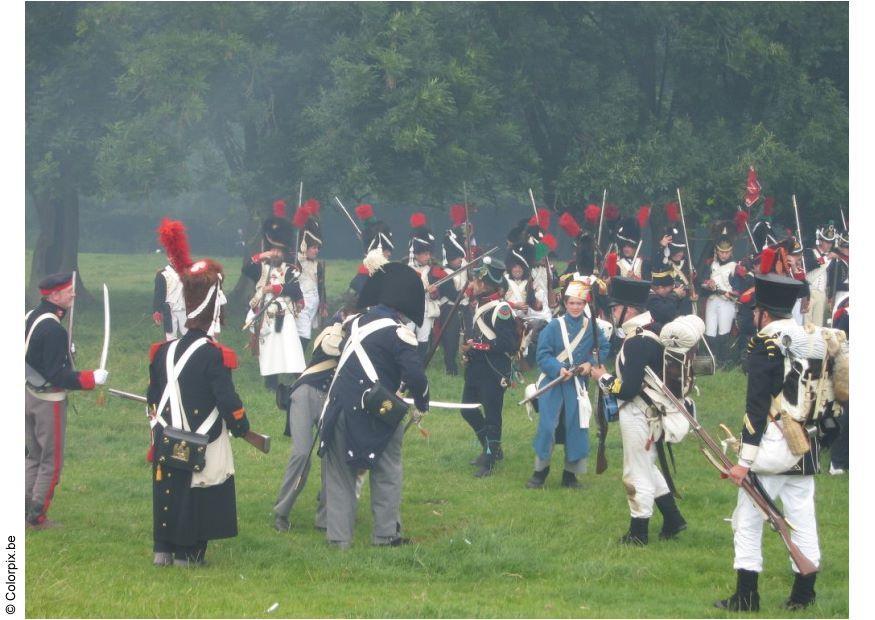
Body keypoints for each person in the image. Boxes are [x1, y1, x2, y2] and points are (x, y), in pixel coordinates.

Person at [714, 271, 823, 612]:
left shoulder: (767, 342)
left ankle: (747, 597)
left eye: (755, 310)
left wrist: (743, 462)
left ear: (763, 312)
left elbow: (757, 406)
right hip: (807, 443)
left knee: (747, 518)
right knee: (803, 517)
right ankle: (804, 595)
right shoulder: (813, 339)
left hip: (773, 448)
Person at [148, 218, 252, 566]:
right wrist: (240, 424)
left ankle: (164, 550)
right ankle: (189, 555)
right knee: (197, 490)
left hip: (166, 434)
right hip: (201, 436)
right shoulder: (211, 354)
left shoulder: (163, 351)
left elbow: (152, 396)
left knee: (168, 490)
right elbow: (226, 399)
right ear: (213, 311)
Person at [318, 256, 429, 549]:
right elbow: (415, 376)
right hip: (375, 410)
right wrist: (423, 400)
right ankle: (385, 536)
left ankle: (338, 541)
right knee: (387, 470)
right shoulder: (399, 332)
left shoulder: (355, 324)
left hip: (338, 406)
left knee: (340, 474)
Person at [590, 277, 691, 545]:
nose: (612, 313)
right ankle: (673, 519)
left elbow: (627, 389)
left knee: (635, 472)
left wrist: (601, 377)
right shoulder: (654, 329)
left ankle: (638, 532)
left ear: (629, 310)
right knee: (647, 466)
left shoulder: (637, 341)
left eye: (615, 308)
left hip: (640, 413)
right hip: (652, 412)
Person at [25, 272, 109, 528]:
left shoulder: (31, 316)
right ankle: (37, 517)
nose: (73, 293)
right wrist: (90, 379)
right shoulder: (53, 330)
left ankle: (21, 509)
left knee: (33, 456)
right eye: (67, 290)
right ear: (53, 295)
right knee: (51, 461)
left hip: (27, 394)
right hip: (47, 400)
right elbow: (56, 374)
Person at [527, 279, 611, 489]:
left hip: (576, 385)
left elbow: (603, 348)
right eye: (572, 303)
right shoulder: (555, 326)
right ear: (566, 303)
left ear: (585, 305)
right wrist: (558, 368)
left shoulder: (591, 326)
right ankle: (540, 471)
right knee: (547, 427)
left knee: (577, 428)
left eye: (580, 303)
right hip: (554, 383)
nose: (576, 307)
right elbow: (543, 354)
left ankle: (570, 475)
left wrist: (588, 365)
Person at [272, 323, 344, 533]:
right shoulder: (330, 334)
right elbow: (330, 346)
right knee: (302, 454)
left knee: (333, 455)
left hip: (331, 399)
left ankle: (325, 517)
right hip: (305, 394)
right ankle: (281, 512)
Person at [460, 257, 520, 477]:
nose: (472, 285)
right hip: (477, 368)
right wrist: (471, 351)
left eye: (475, 281)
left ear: (484, 284)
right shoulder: (479, 306)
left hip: (493, 370)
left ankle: (490, 457)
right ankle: (491, 448)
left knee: (493, 414)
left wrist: (475, 346)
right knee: (467, 409)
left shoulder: (501, 309)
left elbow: (509, 344)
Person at [243, 200, 306, 391]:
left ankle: (298, 380)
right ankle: (271, 382)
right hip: (265, 314)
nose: (276, 253)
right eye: (274, 249)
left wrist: (276, 289)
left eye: (279, 250)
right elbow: (246, 270)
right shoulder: (260, 266)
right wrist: (260, 257)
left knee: (290, 348)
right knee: (269, 351)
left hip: (284, 314)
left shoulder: (290, 269)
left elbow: (295, 290)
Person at [407, 213, 448, 358]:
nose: (427, 257)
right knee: (407, 337)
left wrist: (433, 292)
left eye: (428, 253)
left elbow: (438, 295)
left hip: (426, 310)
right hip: (409, 310)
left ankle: (420, 364)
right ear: (416, 254)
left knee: (423, 339)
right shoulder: (406, 269)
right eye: (424, 254)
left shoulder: (433, 271)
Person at [504, 243, 550, 366]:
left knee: (537, 327)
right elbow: (498, 300)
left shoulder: (530, 282)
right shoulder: (504, 281)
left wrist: (537, 304)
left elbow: (538, 303)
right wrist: (515, 306)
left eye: (520, 267)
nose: (517, 270)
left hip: (527, 317)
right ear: (510, 268)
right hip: (507, 316)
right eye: (514, 267)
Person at [699, 226, 739, 366]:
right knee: (710, 331)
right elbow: (702, 282)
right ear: (716, 251)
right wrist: (708, 284)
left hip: (726, 302)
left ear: (731, 251)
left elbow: (737, 288)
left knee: (723, 331)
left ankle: (722, 360)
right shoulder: (711, 265)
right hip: (712, 300)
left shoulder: (735, 267)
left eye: (726, 252)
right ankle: (711, 358)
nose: (724, 255)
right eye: (721, 252)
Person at [292, 199, 328, 351]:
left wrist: (323, 305)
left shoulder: (318, 265)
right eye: (313, 247)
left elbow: (321, 285)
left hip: (314, 302)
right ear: (305, 246)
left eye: (317, 248)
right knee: (304, 336)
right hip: (302, 304)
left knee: (305, 335)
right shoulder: (296, 261)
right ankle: (297, 369)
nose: (316, 250)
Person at [437, 216, 470, 375]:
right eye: (457, 258)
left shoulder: (464, 267)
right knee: (450, 341)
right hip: (449, 309)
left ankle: (469, 364)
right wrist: (466, 293)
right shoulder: (443, 273)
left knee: (470, 337)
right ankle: (451, 368)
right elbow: (452, 293)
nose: (460, 260)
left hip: (464, 308)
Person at [348, 204, 394, 297]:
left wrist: (364, 239)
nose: (389, 254)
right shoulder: (377, 229)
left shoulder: (369, 233)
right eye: (387, 252)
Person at [652, 224, 695, 315]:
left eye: (681, 251)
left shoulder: (688, 264)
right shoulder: (663, 262)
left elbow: (695, 282)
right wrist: (662, 246)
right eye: (676, 250)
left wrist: (695, 293)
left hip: (685, 304)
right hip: (669, 303)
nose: (679, 253)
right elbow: (655, 264)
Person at [803, 222, 837, 326]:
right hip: (809, 291)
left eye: (831, 242)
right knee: (806, 324)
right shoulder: (809, 252)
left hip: (822, 294)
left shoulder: (833, 258)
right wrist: (827, 258)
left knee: (818, 325)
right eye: (827, 242)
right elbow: (810, 265)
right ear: (820, 240)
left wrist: (831, 296)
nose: (829, 245)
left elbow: (832, 279)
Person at [152, 262, 187, 340]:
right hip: (169, 309)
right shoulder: (162, 274)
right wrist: (157, 311)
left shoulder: (187, 272)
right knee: (170, 336)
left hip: (184, 308)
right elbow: (158, 294)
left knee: (188, 334)